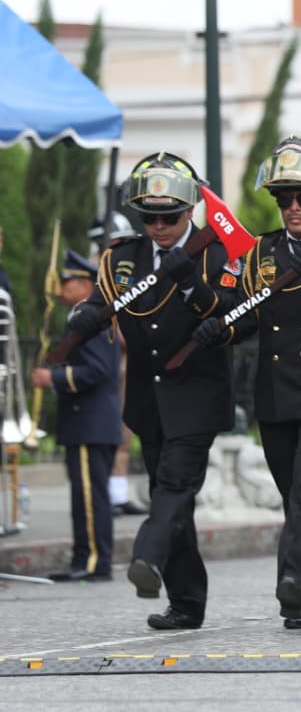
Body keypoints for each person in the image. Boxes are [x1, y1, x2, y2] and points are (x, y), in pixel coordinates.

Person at [194, 137, 301, 629]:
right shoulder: (262, 252)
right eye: (285, 198)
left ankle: (290, 579)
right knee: (294, 494)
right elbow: (245, 314)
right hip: (275, 389)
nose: (293, 208)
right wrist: (219, 326)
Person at [68, 153, 239, 630]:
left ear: (190, 211)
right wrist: (81, 319)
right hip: (149, 397)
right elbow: (101, 303)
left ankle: (148, 555)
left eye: (170, 216)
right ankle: (187, 603)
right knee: (169, 493)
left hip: (198, 393)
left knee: (176, 485)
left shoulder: (218, 253)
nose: (160, 226)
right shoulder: (123, 257)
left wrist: (192, 285)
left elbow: (233, 314)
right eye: (150, 217)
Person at [33, 249, 122, 583]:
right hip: (87, 422)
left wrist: (52, 378)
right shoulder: (86, 317)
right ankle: (84, 557)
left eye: (68, 280)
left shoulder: (92, 319)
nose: (61, 286)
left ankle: (93, 561)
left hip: (91, 421)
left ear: (86, 284)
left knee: (89, 496)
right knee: (84, 495)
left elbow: (97, 369)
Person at [87, 213, 149, 518]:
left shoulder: (129, 269)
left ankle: (118, 492)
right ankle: (102, 494)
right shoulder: (91, 275)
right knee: (106, 430)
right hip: (101, 361)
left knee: (124, 431)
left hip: (127, 360)